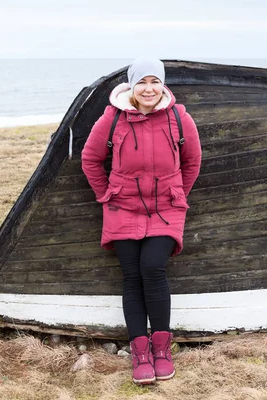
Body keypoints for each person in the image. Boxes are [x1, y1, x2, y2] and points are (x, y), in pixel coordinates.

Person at [81, 57, 202, 385]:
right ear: (132, 86)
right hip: (123, 208)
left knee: (153, 267)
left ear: (162, 85)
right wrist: (108, 193)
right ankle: (140, 353)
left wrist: (177, 192)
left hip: (166, 209)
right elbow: (91, 159)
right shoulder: (113, 118)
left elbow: (192, 161)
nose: (148, 88)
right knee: (132, 276)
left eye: (154, 81)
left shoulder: (179, 118)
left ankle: (162, 349)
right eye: (142, 82)